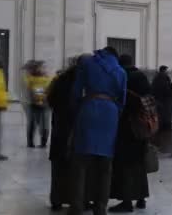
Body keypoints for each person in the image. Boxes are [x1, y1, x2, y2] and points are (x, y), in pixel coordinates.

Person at [68, 47, 126, 215]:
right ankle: (100, 207)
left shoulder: (87, 63)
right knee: (105, 165)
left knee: (80, 163)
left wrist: (78, 109)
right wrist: (114, 112)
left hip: (88, 109)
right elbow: (122, 99)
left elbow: (76, 91)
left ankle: (76, 206)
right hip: (110, 113)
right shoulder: (120, 70)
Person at [109, 55, 153, 213]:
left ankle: (126, 201)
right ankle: (141, 198)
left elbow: (120, 100)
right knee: (139, 163)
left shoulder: (123, 75)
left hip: (128, 126)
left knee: (125, 164)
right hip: (142, 126)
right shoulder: (141, 76)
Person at [46, 56, 84, 211]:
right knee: (76, 166)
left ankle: (57, 199)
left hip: (59, 127)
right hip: (75, 128)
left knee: (58, 165)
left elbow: (50, 100)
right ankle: (77, 199)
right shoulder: (82, 82)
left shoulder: (59, 79)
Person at [24, 61, 52, 148]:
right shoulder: (29, 78)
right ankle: (30, 142)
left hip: (45, 104)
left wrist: (46, 97)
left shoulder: (49, 79)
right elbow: (27, 90)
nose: (41, 69)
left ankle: (43, 142)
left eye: (43, 67)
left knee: (45, 125)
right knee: (32, 124)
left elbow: (50, 90)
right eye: (39, 67)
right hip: (33, 104)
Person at [152, 65, 172, 131]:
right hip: (164, 99)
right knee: (165, 113)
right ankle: (164, 128)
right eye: (166, 70)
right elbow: (167, 88)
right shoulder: (165, 77)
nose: (167, 72)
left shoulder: (155, 78)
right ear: (164, 70)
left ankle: (158, 127)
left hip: (157, 98)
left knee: (159, 113)